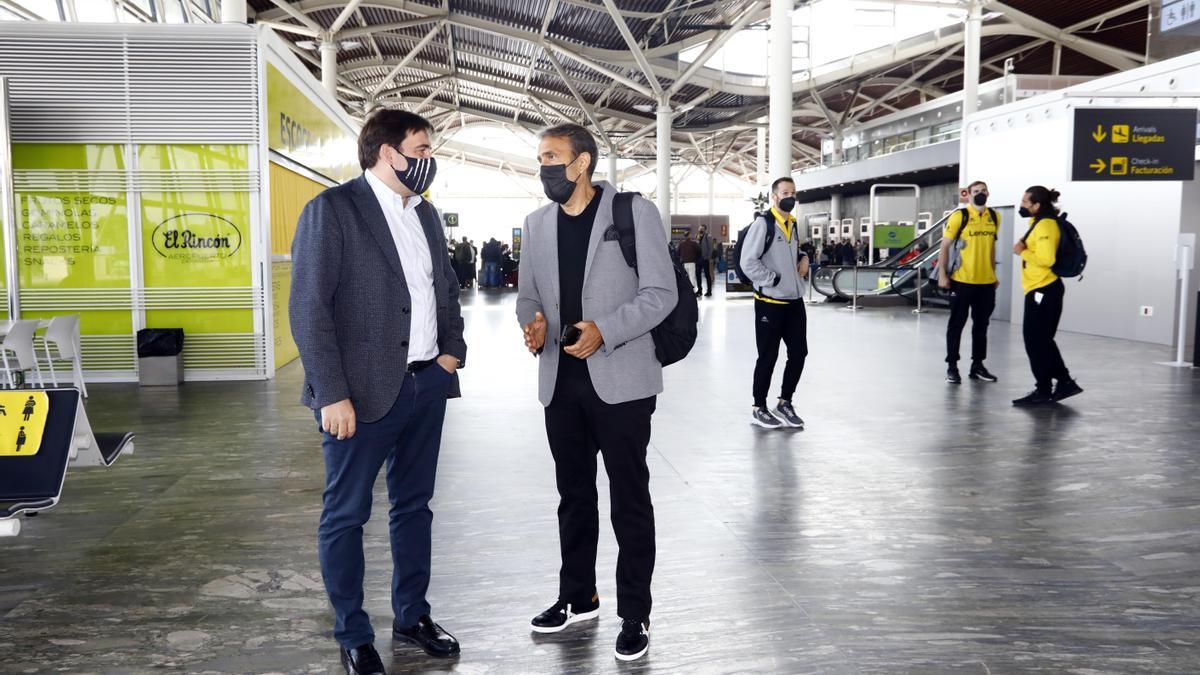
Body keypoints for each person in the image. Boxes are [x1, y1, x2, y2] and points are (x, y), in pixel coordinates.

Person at [290, 109, 467, 675]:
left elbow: (444, 289)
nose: (427, 158)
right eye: (421, 147)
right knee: (346, 514)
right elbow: (309, 309)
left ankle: (412, 617)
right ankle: (353, 633)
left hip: (426, 386)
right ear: (388, 152)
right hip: (358, 396)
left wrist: (451, 355)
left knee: (414, 508)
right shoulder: (333, 210)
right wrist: (330, 393)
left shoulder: (427, 215)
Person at [517, 122, 676, 662]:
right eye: (540, 158)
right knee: (574, 496)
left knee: (630, 499)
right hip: (559, 382)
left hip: (623, 380)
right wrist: (534, 326)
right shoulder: (536, 224)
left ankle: (635, 612)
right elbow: (527, 297)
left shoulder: (633, 214)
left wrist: (606, 329)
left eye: (552, 157)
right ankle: (577, 596)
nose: (544, 168)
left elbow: (661, 294)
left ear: (582, 162)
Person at [738, 177, 809, 430]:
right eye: (785, 192)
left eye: (793, 192)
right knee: (768, 356)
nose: (790, 196)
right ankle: (758, 407)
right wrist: (773, 279)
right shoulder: (763, 224)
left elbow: (793, 253)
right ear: (774, 196)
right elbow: (748, 262)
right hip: (770, 302)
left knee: (799, 353)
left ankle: (785, 402)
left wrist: (804, 257)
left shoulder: (792, 223)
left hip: (794, 301)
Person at [1012, 186, 1083, 406]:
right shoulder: (1039, 223)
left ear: (1037, 205)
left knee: (1035, 342)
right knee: (1041, 340)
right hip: (1040, 289)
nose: (1022, 205)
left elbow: (1046, 259)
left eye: (1025, 202)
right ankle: (1063, 382)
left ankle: (1044, 388)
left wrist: (1021, 251)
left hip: (1043, 289)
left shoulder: (1045, 225)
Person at [937, 180, 1000, 385]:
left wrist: (993, 273)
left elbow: (991, 247)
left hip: (986, 283)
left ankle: (977, 365)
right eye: (976, 191)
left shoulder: (994, 216)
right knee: (956, 324)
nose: (980, 194)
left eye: (983, 191)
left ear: (988, 193)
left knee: (981, 325)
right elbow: (945, 247)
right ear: (969, 194)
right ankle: (952, 367)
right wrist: (942, 275)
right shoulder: (960, 216)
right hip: (961, 281)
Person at [677, 231, 701, 296]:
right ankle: (692, 292)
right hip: (692, 263)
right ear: (689, 235)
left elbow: (678, 253)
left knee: (686, 278)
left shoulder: (681, 244)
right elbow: (699, 251)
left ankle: (687, 291)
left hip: (684, 263)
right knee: (692, 277)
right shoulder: (694, 243)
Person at [696, 224, 715, 297]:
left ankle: (709, 291)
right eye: (699, 228)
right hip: (698, 259)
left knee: (707, 275)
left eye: (701, 229)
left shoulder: (708, 236)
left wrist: (708, 258)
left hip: (705, 258)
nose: (700, 230)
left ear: (704, 229)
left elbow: (711, 248)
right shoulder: (697, 236)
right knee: (697, 274)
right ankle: (699, 290)